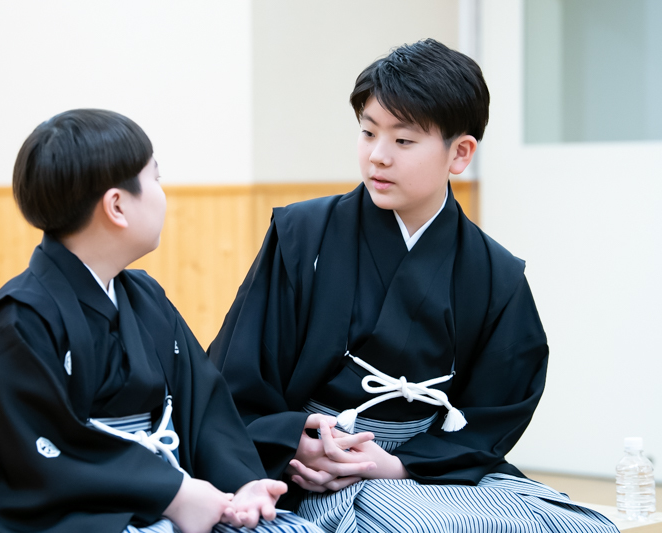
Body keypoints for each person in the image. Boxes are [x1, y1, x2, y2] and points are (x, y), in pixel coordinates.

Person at [209, 39, 617, 532]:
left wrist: (399, 466)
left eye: (403, 141)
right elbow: (238, 373)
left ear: (460, 153)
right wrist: (298, 436)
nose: (378, 157)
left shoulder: (493, 272)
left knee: (582, 525)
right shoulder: (304, 236)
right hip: (309, 466)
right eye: (367, 133)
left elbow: (495, 408)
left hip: (427, 470)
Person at [0, 109, 323, 533]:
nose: (162, 193)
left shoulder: (145, 299)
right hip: (86, 518)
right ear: (117, 206)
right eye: (155, 178)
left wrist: (245, 483)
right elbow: (42, 459)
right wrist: (173, 494)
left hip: (171, 497)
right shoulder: (21, 320)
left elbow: (205, 410)